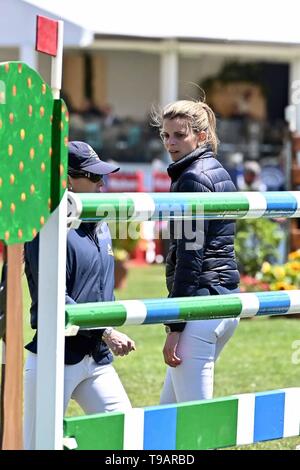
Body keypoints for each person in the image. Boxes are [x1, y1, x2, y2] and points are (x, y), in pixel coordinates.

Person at [23, 141, 136, 450]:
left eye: (104, 178)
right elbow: (54, 298)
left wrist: (103, 332)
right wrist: (107, 330)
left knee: (126, 437)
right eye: (95, 178)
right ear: (69, 178)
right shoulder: (45, 227)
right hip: (54, 357)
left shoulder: (98, 223)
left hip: (95, 357)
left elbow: (102, 289)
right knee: (36, 447)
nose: (102, 185)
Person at [152, 99, 240, 404]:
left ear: (201, 136)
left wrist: (175, 325)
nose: (170, 143)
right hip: (224, 300)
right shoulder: (217, 170)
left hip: (201, 307)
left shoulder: (192, 178)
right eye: (165, 135)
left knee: (195, 424)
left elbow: (190, 258)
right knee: (167, 417)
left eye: (179, 135)